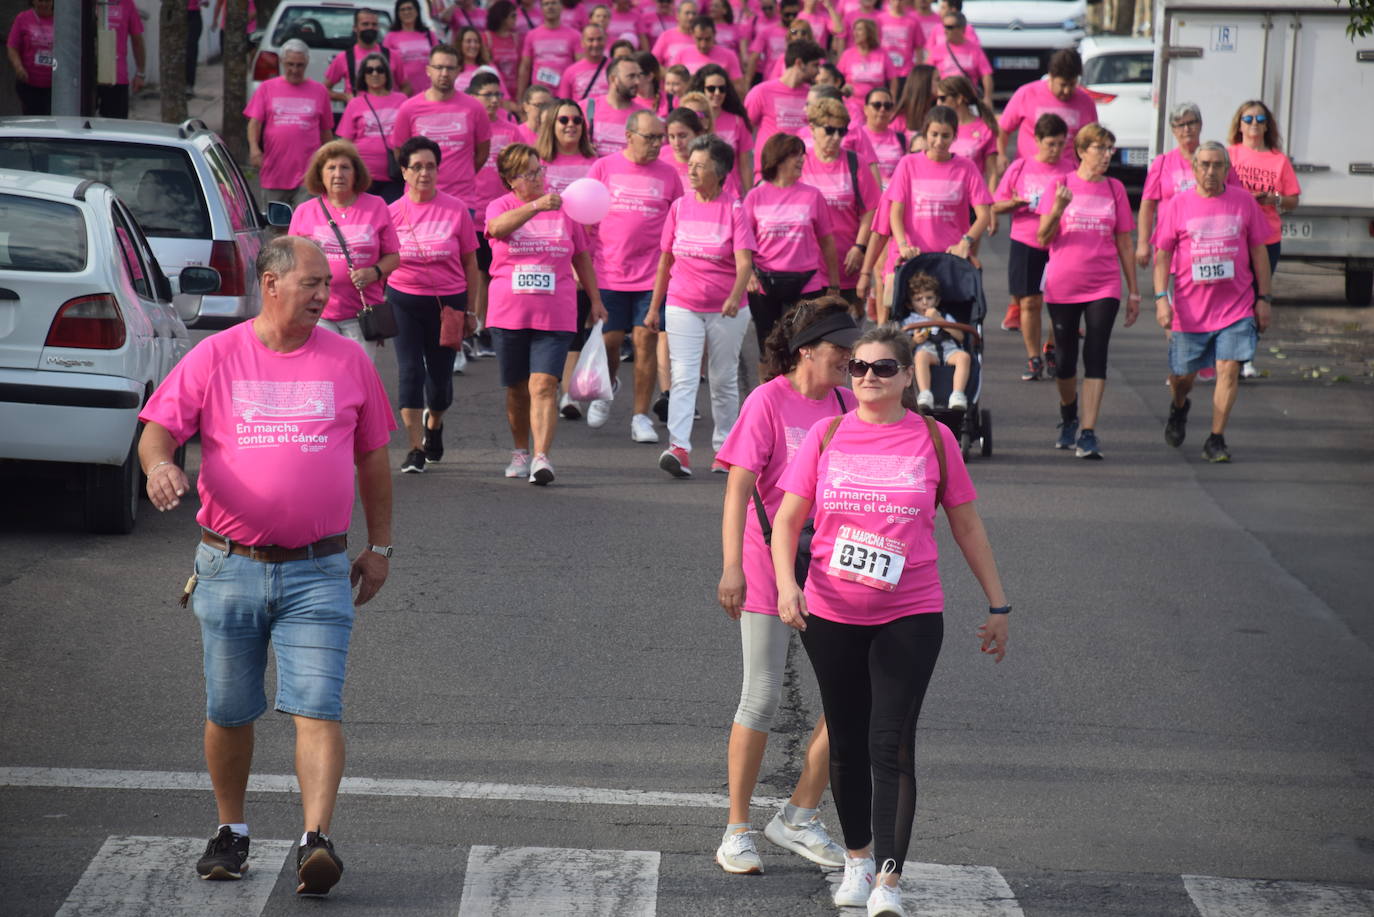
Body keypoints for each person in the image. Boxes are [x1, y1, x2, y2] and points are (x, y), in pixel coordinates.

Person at [137, 235, 395, 898]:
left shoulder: (347, 360)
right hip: (229, 564)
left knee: (318, 704)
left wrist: (381, 545)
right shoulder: (217, 354)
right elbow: (158, 430)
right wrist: (160, 464)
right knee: (229, 707)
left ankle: (316, 838)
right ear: (271, 284)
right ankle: (232, 830)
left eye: (327, 284)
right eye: (311, 282)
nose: (325, 295)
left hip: (319, 567)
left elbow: (372, 457)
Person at [771, 322, 1008, 917]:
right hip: (830, 611)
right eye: (858, 368)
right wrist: (785, 586)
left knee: (892, 745)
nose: (868, 378)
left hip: (910, 612)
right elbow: (786, 522)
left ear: (907, 375)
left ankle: (889, 881)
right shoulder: (825, 436)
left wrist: (997, 603)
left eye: (882, 369)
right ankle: (855, 861)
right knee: (846, 742)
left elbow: (967, 525)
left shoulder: (933, 438)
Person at [712, 297, 858, 876]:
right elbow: (737, 491)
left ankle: (798, 815)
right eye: (840, 350)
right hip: (766, 560)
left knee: (850, 699)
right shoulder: (767, 401)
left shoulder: (850, 402)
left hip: (832, 564)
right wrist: (731, 567)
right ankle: (736, 830)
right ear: (806, 352)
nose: (850, 360)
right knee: (765, 693)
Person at [485, 143, 607, 484]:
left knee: (544, 385)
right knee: (517, 388)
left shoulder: (565, 209)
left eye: (541, 170)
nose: (540, 178)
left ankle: (541, 457)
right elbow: (496, 229)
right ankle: (520, 450)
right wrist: (536, 206)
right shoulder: (501, 206)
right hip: (510, 311)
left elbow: (581, 256)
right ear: (511, 181)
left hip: (556, 311)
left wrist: (596, 300)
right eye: (530, 173)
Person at [1154, 142, 1273, 463]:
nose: (1210, 171)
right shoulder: (1178, 205)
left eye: (1217, 165)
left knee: (1228, 369)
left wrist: (1263, 298)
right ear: (1194, 169)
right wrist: (1161, 298)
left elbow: (1259, 250)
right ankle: (1179, 408)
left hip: (1235, 307)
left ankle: (1216, 438)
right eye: (1204, 164)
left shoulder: (1243, 202)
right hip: (1190, 312)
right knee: (1182, 378)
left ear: (1226, 169)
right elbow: (1163, 254)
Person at [647, 135, 755, 478]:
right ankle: (678, 447)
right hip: (682, 303)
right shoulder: (679, 207)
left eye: (699, 165)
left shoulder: (734, 209)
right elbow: (665, 261)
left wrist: (735, 296)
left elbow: (744, 264)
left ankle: (725, 449)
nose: (691, 170)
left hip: (727, 309)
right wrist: (654, 308)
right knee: (683, 376)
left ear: (719, 171)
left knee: (723, 378)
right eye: (689, 164)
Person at [1036, 122, 1138, 459]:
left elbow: (1124, 241)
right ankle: (1069, 414)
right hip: (1064, 284)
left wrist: (1134, 291)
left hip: (1104, 284)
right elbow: (1042, 238)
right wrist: (1058, 208)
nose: (1108, 155)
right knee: (1065, 361)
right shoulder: (1060, 185)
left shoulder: (1115, 189)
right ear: (1081, 151)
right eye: (1101, 148)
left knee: (1096, 354)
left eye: (1110, 149)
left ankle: (1089, 431)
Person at [585, 111, 683, 440]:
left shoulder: (669, 175)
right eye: (650, 137)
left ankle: (640, 416)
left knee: (645, 340)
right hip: (609, 272)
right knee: (611, 342)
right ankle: (608, 385)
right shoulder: (603, 168)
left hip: (652, 276)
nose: (657, 144)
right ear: (629, 137)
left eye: (661, 137)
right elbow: (586, 220)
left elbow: (679, 223)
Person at [388, 136, 481, 473]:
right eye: (416, 167)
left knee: (440, 383)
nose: (424, 173)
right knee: (411, 371)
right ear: (404, 171)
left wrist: (472, 310)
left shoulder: (456, 209)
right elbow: (381, 260)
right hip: (404, 300)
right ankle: (414, 448)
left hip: (449, 304)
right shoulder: (391, 214)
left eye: (430, 166)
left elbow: (471, 263)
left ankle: (435, 423)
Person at [287, 139, 402, 360]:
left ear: (356, 173)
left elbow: (394, 257)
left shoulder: (376, 206)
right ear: (320, 174)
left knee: (357, 381)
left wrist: (374, 272)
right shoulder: (304, 212)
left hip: (362, 314)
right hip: (317, 312)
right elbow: (291, 263)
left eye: (345, 167)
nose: (338, 174)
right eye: (331, 168)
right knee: (323, 377)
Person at [875, 106, 992, 322]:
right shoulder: (908, 164)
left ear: (955, 136)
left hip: (950, 261)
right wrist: (902, 245)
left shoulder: (966, 167)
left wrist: (966, 241)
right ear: (925, 133)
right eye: (934, 135)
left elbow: (983, 214)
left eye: (945, 136)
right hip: (914, 260)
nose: (939, 141)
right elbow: (896, 212)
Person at [745, 134, 841, 365]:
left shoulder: (812, 195)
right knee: (768, 349)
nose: (801, 160)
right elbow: (743, 243)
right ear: (777, 159)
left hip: (806, 283)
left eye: (801, 155)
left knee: (805, 346)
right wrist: (747, 273)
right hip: (764, 283)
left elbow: (827, 242)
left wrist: (834, 285)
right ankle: (766, 396)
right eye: (794, 155)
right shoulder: (755, 196)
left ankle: (801, 396)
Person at [992, 112, 1072, 381]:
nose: (1056, 150)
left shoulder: (1070, 170)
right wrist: (1014, 204)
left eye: (1061, 144)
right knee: (1029, 302)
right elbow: (996, 204)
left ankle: (1050, 347)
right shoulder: (1020, 167)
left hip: (1059, 243)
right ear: (1037, 140)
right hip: (1025, 240)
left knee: (1058, 302)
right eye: (1050, 144)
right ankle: (1033, 357)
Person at [534, 98, 600, 415]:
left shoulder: (595, 163)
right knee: (550, 327)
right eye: (563, 120)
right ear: (553, 124)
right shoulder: (540, 164)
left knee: (575, 325)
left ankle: (568, 394)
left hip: (586, 254)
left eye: (576, 120)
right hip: (546, 255)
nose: (571, 124)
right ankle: (546, 383)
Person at [1227, 99, 1300, 379]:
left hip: (1267, 237)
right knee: (1235, 294)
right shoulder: (1231, 155)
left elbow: (1293, 200)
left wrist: (1274, 199)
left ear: (1267, 125)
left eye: (1259, 119)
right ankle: (1226, 352)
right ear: (1239, 124)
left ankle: (1246, 357)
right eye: (1248, 119)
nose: (1254, 124)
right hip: (1234, 236)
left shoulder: (1278, 160)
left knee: (1258, 294)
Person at [802, 97, 878, 316]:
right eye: (829, 130)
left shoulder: (856, 162)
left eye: (841, 132)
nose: (836, 138)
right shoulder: (801, 161)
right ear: (812, 128)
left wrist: (860, 247)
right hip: (809, 266)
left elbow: (870, 210)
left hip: (847, 263)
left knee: (848, 334)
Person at [390, 44, 493, 205]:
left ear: (459, 71)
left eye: (450, 68)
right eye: (439, 67)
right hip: (418, 199)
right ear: (428, 70)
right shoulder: (409, 108)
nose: (444, 73)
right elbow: (400, 152)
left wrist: (462, 174)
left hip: (462, 198)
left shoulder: (474, 107)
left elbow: (483, 152)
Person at [245, 40, 334, 206]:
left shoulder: (319, 91)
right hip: (275, 173)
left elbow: (326, 131)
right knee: (276, 228)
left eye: (299, 65)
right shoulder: (267, 88)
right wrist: (254, 148)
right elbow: (254, 123)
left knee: (306, 228)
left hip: (309, 174)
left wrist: (330, 162)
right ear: (281, 62)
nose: (294, 70)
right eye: (290, 64)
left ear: (306, 63)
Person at [997, 47, 1096, 170]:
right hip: (1029, 175)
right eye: (1063, 85)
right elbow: (1002, 129)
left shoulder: (1086, 102)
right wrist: (1001, 155)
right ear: (1051, 77)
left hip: (1068, 176)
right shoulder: (1027, 94)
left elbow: (1093, 140)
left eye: (1072, 84)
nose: (1067, 91)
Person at [1137, 102, 1206, 267]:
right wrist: (1142, 243)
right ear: (1173, 130)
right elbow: (1147, 206)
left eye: (1191, 123)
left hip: (1207, 245)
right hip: (1170, 249)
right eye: (1180, 125)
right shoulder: (1163, 163)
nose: (1186, 129)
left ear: (1200, 125)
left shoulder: (1214, 159)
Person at [336, 53, 409, 204]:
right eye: (369, 70)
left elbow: (410, 136)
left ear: (387, 73)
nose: (375, 73)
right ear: (363, 75)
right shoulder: (355, 103)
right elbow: (345, 144)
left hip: (394, 175)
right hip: (363, 177)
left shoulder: (401, 100)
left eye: (379, 69)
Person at [744, 39, 826, 165]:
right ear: (799, 63)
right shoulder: (761, 92)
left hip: (802, 169)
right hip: (769, 170)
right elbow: (745, 129)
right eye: (814, 65)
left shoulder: (813, 95)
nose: (818, 71)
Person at [902, 271, 971, 410]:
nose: (925, 302)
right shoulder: (909, 320)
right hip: (926, 350)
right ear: (910, 304)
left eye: (929, 298)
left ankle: (957, 394)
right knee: (920, 357)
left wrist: (938, 319)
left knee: (964, 357)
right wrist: (915, 340)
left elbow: (960, 336)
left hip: (950, 348)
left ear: (937, 300)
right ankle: (925, 393)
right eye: (918, 299)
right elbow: (903, 347)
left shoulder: (945, 316)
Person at [690, 63, 754, 186]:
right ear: (701, 89)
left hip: (731, 193)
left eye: (722, 88)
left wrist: (748, 195)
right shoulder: (693, 119)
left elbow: (745, 165)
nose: (717, 93)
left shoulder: (737, 121)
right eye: (711, 88)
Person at [937, 75, 998, 190]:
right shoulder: (938, 128)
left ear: (959, 99)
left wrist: (991, 205)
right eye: (937, 98)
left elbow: (992, 172)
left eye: (942, 98)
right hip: (943, 195)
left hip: (971, 199)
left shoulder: (984, 129)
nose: (938, 103)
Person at [835, 18, 896, 123]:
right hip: (852, 106)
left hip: (876, 107)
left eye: (859, 29)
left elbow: (893, 80)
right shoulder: (847, 54)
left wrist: (892, 103)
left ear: (869, 32)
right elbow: (837, 79)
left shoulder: (882, 54)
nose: (855, 33)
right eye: (854, 30)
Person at [323, 8, 389, 104]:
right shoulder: (343, 58)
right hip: (356, 114)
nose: (370, 28)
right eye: (365, 24)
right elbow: (325, 89)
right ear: (355, 28)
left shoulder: (391, 55)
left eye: (374, 24)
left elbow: (406, 87)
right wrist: (345, 97)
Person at [93, 0, 145, 118]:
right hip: (87, 80)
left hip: (117, 78)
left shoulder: (127, 4)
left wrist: (140, 73)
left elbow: (137, 40)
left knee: (115, 129)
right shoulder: (85, 4)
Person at [924, 12, 990, 104]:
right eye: (944, 26)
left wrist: (987, 98)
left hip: (967, 99)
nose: (945, 30)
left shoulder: (975, 50)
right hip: (944, 99)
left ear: (962, 29)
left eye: (949, 27)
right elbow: (927, 75)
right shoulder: (937, 50)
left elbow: (986, 74)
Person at [520, 0, 583, 94]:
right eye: (546, 4)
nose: (550, 7)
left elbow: (580, 66)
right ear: (541, 9)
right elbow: (525, 67)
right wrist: (520, 97)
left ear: (561, 7)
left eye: (554, 3)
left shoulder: (575, 35)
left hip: (564, 94)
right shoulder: (531, 35)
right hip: (539, 94)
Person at [586, 55, 645, 156]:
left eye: (638, 76)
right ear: (613, 79)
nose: (637, 82)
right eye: (631, 76)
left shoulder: (643, 116)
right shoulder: (587, 107)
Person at [6, 0, 54, 115]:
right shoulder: (22, 18)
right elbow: (12, 46)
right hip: (29, 85)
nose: (43, 4)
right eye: (40, 1)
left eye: (47, 1)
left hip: (55, 88)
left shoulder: (62, 20)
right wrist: (18, 67)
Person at [385, 0, 438, 95]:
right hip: (403, 92)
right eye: (402, 10)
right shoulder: (390, 37)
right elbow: (387, 66)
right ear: (398, 14)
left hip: (429, 91)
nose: (406, 12)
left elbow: (438, 60)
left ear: (417, 11)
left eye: (410, 8)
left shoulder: (429, 35)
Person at [680, 15, 745, 92]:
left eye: (707, 39)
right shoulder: (682, 54)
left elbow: (739, 88)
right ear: (692, 35)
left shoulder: (729, 56)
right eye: (699, 39)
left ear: (714, 35)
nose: (703, 44)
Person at [859, 88, 904, 191]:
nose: (882, 109)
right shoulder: (856, 137)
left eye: (887, 106)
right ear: (865, 109)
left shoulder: (901, 138)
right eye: (877, 105)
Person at [559, 23, 611, 99]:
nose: (595, 44)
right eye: (591, 40)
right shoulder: (570, 72)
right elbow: (564, 104)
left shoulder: (615, 67)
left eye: (599, 39)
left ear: (605, 40)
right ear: (582, 43)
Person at [483, 0, 523, 93]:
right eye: (513, 16)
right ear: (502, 17)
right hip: (495, 90)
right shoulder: (487, 38)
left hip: (514, 91)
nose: (516, 18)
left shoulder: (516, 39)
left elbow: (520, 68)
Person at [454, 25, 506, 94]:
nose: (473, 45)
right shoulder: (453, 67)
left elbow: (504, 97)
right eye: (468, 41)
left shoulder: (490, 68)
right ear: (460, 44)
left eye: (476, 41)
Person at [652, 0, 701, 69]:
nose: (691, 17)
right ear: (677, 15)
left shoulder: (702, 37)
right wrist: (667, 74)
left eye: (694, 14)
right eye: (687, 13)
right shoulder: (666, 36)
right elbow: (653, 62)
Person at [894, 62, 935, 138]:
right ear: (924, 84)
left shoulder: (938, 113)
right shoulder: (899, 120)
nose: (941, 83)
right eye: (937, 79)